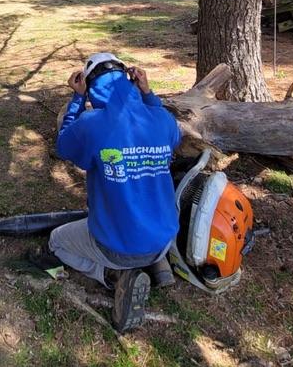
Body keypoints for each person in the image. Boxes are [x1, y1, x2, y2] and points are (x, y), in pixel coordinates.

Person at [34, 52, 182, 332]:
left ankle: (114, 276)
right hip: (164, 237)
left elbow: (64, 145)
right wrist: (149, 94)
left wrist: (77, 100)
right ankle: (158, 263)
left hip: (117, 247)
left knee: (57, 241)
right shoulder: (161, 119)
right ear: (131, 80)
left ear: (90, 86)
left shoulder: (91, 124)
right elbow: (175, 136)